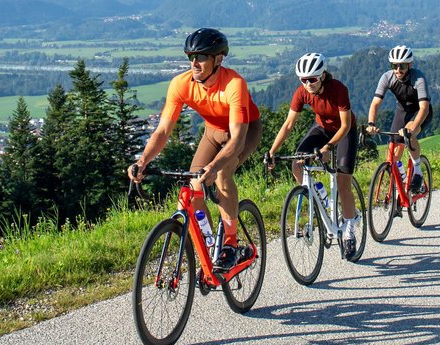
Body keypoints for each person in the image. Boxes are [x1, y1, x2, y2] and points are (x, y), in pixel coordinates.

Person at [129, 28, 262, 271]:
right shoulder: (181, 84)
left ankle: (230, 244)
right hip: (212, 131)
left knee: (222, 174)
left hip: (243, 131)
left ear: (218, 59)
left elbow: (237, 141)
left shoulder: (234, 84)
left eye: (201, 57)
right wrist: (143, 161)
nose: (194, 62)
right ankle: (212, 245)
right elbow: (162, 132)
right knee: (195, 184)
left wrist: (213, 167)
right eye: (190, 56)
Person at [266, 52, 360, 260]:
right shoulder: (302, 93)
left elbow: (345, 126)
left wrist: (328, 147)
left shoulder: (338, 90)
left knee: (343, 181)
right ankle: (318, 192)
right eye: (303, 80)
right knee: (298, 163)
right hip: (321, 128)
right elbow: (288, 124)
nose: (308, 84)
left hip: (345, 132)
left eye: (312, 79)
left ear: (323, 75)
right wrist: (272, 151)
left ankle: (349, 227)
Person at [365, 45, 433, 193]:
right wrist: (371, 124)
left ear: (410, 65)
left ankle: (417, 171)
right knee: (392, 156)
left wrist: (413, 126)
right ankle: (402, 183)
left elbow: (424, 108)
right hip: (402, 111)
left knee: (409, 133)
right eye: (394, 65)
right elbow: (375, 103)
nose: (398, 70)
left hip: (420, 112)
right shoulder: (387, 77)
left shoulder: (418, 78)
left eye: (401, 66)